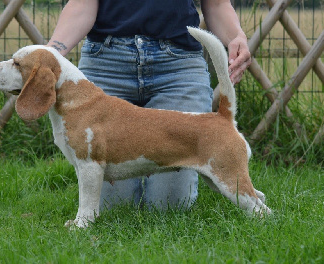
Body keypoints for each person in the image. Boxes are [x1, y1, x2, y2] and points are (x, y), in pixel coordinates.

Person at [47, 0, 252, 211]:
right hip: (107, 63)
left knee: (169, 207)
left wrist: (236, 36)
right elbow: (82, 4)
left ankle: (252, 200)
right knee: (116, 208)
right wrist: (50, 54)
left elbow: (216, 4)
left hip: (178, 65)